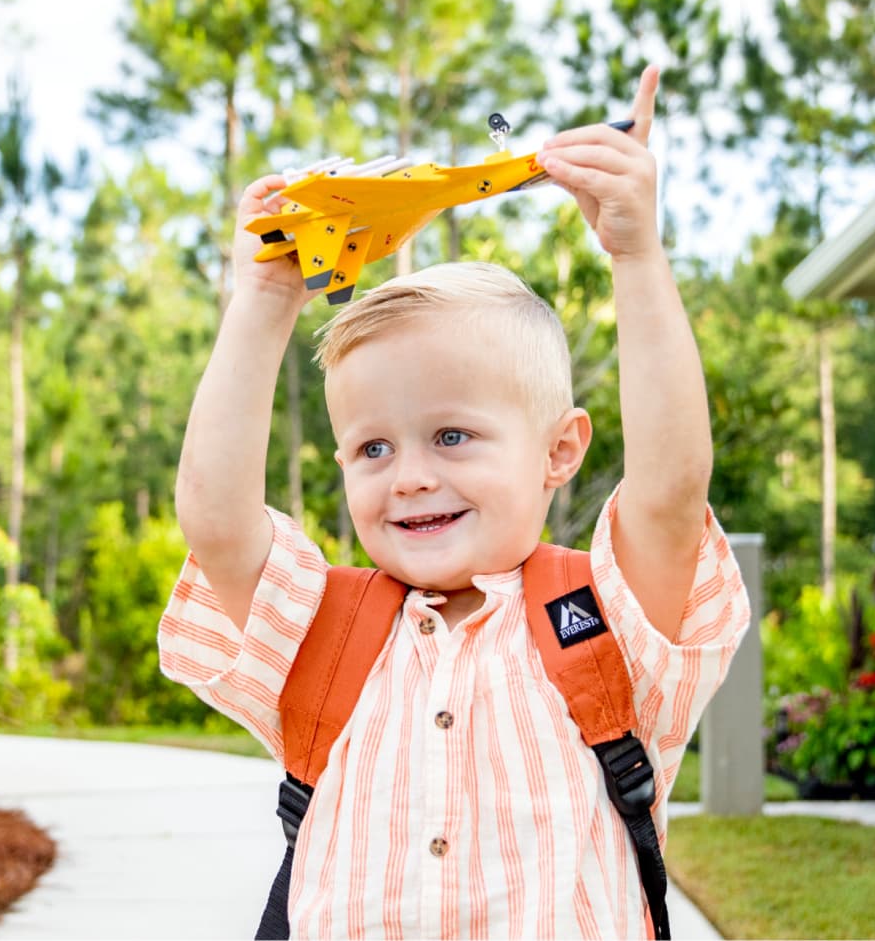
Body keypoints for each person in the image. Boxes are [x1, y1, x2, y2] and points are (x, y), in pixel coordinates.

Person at [159, 65, 751, 938]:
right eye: (372, 447)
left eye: (451, 437)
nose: (407, 477)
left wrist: (635, 256)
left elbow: (669, 491)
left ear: (558, 451)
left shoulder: (600, 625)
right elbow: (214, 519)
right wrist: (264, 298)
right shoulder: (321, 632)